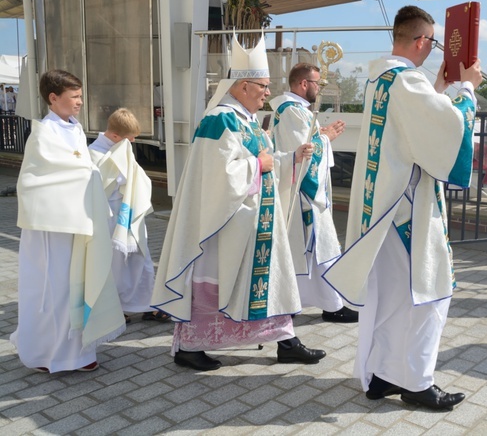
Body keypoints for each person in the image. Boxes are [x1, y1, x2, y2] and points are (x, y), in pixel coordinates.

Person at [323, 5, 482, 410]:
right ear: (420, 42)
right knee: (429, 294)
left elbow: (413, 130)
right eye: (432, 42)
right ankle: (416, 382)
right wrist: (467, 89)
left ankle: (381, 375)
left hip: (384, 209)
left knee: (392, 298)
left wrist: (440, 92)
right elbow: (447, 131)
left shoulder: (382, 78)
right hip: (407, 209)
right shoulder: (407, 80)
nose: (433, 51)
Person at [151, 34, 326, 371]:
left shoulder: (247, 120)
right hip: (225, 227)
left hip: (257, 223)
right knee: (220, 283)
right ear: (243, 86)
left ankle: (285, 341)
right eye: (262, 85)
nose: (267, 92)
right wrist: (258, 166)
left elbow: (267, 159)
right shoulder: (220, 120)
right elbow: (218, 176)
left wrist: (290, 159)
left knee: (272, 277)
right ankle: (189, 347)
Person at [11, 69, 124, 373]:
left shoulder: (73, 128)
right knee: (54, 289)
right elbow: (34, 180)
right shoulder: (43, 133)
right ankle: (46, 354)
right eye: (74, 97)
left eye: (80, 96)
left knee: (76, 285)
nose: (80, 102)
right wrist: (88, 175)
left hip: (76, 220)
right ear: (53, 98)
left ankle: (78, 352)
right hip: (52, 227)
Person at [269, 63, 358, 323]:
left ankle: (331, 303)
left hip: (305, 194)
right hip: (302, 195)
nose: (319, 89)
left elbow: (308, 145)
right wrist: (325, 138)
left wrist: (323, 136)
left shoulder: (296, 111)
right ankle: (324, 305)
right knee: (315, 249)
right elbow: (304, 153)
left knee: (320, 251)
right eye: (317, 83)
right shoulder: (291, 111)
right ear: (303, 83)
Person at [89, 108, 168, 324]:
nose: (133, 141)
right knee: (114, 265)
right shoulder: (93, 155)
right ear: (115, 136)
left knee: (142, 259)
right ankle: (115, 308)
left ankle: (148, 304)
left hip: (131, 216)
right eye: (130, 137)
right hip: (110, 217)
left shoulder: (122, 147)